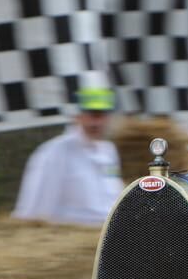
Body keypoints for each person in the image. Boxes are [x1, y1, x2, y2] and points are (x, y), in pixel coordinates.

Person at [12, 76, 123, 226]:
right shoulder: (54, 152)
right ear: (78, 116)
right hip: (73, 240)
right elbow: (33, 210)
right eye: (91, 114)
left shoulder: (108, 151)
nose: (96, 122)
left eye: (101, 115)